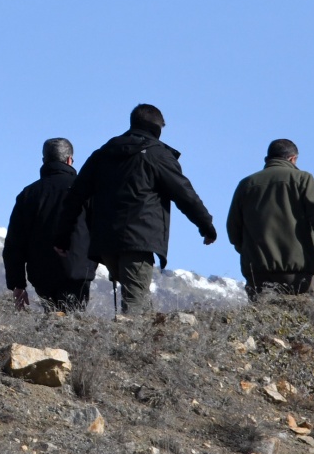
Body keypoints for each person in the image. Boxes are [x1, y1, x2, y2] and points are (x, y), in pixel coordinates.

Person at [54, 104, 217, 316]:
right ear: (157, 128)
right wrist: (206, 225)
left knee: (137, 298)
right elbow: (185, 194)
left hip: (106, 241)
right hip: (139, 240)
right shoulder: (157, 155)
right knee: (135, 306)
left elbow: (75, 198)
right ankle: (131, 346)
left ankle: (147, 342)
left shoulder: (102, 154)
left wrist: (62, 237)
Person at [225, 138, 314, 301]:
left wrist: (250, 252)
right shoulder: (303, 179)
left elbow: (233, 229)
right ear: (293, 159)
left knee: (261, 323)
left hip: (259, 271)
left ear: (268, 159)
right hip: (300, 271)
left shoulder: (246, 185)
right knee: (305, 322)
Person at [5, 138, 93, 311]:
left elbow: (14, 243)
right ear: (69, 160)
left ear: (44, 160)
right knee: (73, 320)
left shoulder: (28, 194)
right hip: (78, 269)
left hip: (41, 272)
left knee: (52, 317)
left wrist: (17, 283)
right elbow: (99, 227)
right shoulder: (85, 190)